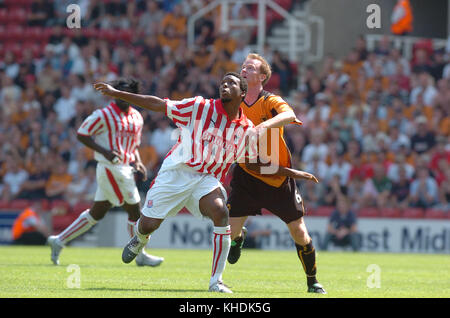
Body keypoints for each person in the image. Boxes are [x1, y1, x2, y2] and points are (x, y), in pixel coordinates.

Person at [93, 72, 256, 293]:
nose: (225, 86)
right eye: (223, 83)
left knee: (220, 212)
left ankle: (215, 281)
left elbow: (249, 164)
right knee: (149, 224)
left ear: (243, 93)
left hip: (206, 179)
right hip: (176, 173)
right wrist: (117, 93)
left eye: (231, 83)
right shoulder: (199, 107)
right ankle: (140, 238)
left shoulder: (247, 129)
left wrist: (284, 174)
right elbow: (159, 104)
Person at [226, 53, 327, 294]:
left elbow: (290, 116)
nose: (244, 70)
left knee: (299, 232)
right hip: (247, 174)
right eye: (243, 67)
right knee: (229, 233)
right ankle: (239, 240)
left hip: (277, 176)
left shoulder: (270, 100)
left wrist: (263, 126)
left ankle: (312, 280)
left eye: (250, 68)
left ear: (261, 77)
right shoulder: (233, 102)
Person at [47, 78, 164, 268]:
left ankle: (58, 240)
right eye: (119, 91)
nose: (123, 96)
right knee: (135, 209)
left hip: (126, 167)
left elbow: (133, 145)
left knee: (96, 213)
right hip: (110, 168)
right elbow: (82, 133)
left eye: (127, 92)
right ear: (114, 93)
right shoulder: (103, 114)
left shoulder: (137, 117)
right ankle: (140, 254)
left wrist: (139, 162)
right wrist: (104, 151)